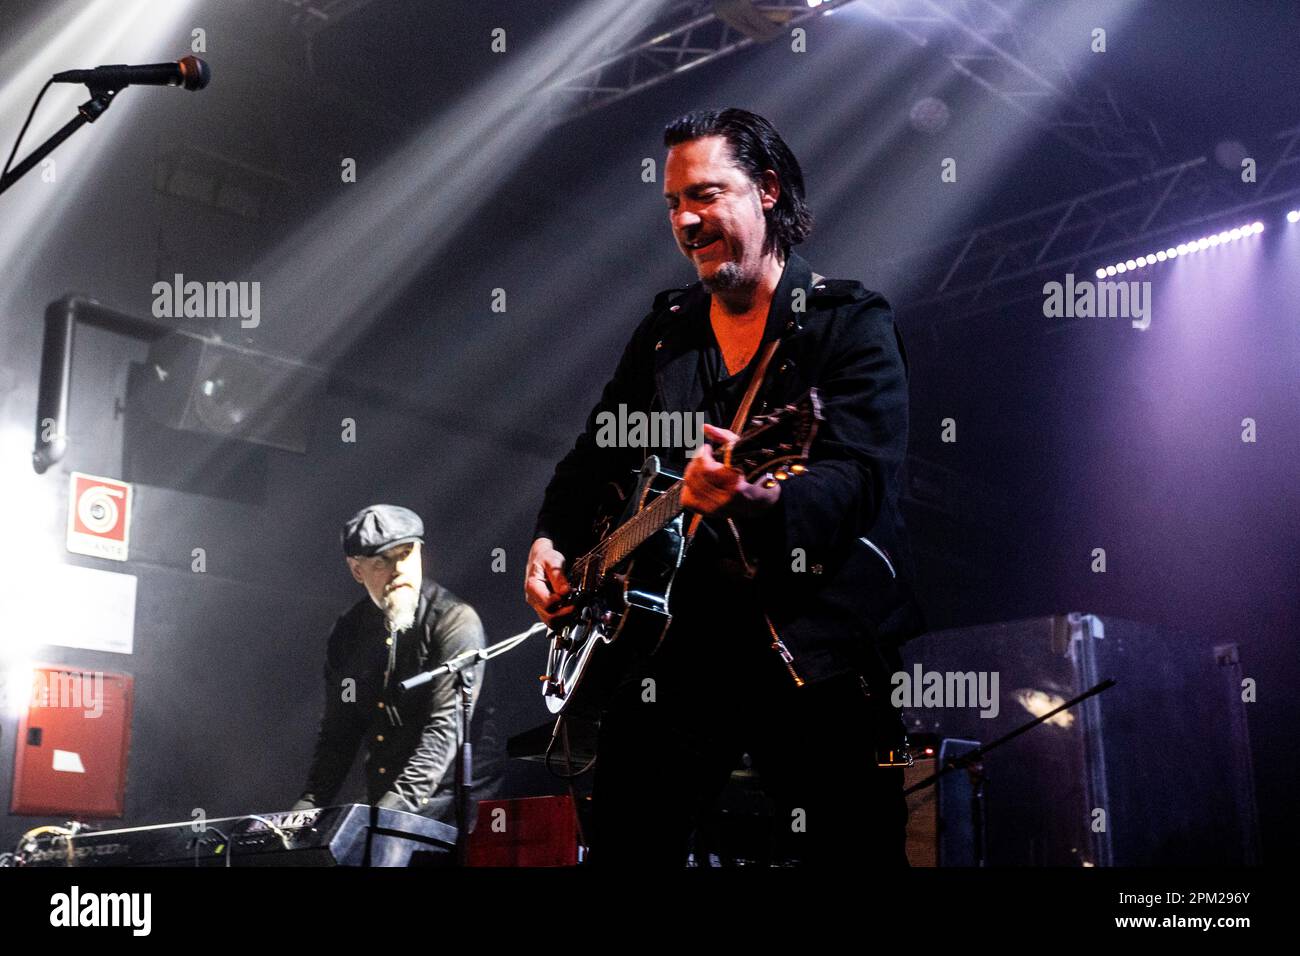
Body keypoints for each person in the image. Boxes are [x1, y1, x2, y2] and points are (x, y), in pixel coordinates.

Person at [524, 108, 925, 866]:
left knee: (853, 851)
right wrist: (552, 541)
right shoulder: (670, 330)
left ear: (767, 190)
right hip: (680, 641)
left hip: (811, 647)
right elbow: (597, 454)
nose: (684, 219)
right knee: (625, 844)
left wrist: (756, 498)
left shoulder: (847, 324)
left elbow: (859, 481)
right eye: (674, 203)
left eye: (705, 196)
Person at [295, 504, 486, 823]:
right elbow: (339, 730)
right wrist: (309, 804)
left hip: (451, 808)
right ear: (356, 570)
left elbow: (443, 730)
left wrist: (386, 815)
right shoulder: (347, 635)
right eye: (382, 560)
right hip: (387, 801)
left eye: (406, 554)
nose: (398, 569)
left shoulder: (455, 622)